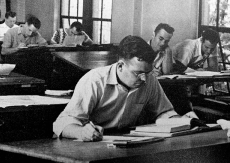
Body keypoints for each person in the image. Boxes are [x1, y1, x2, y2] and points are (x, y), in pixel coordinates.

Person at [53, 35, 182, 142]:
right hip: (93, 143)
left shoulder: (149, 79)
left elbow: (164, 112)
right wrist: (81, 132)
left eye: (147, 73)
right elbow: (62, 123)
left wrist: (184, 121)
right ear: (120, 66)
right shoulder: (94, 81)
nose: (144, 79)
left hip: (127, 141)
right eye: (138, 73)